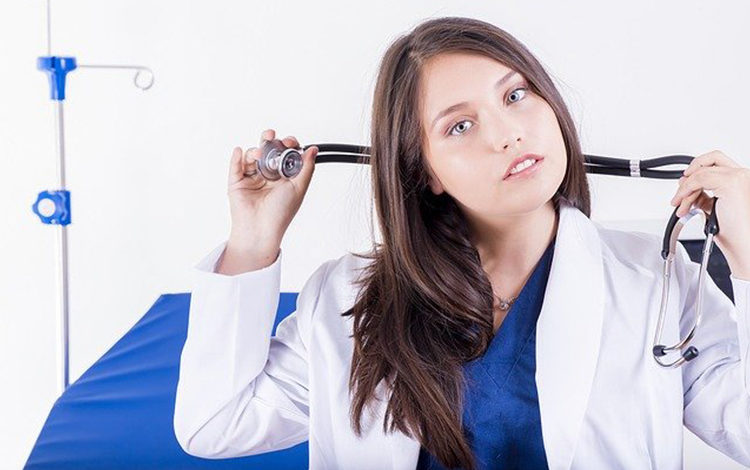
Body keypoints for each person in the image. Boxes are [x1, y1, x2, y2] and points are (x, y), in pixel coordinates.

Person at [173, 16, 750, 470]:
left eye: (515, 95)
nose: (507, 133)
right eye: (460, 125)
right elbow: (215, 425)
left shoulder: (657, 282)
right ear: (425, 171)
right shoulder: (345, 298)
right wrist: (253, 239)